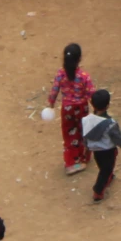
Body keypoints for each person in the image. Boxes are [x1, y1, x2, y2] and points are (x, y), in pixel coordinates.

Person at [46, 43, 96, 175]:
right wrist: (97, 109)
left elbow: (54, 90)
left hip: (67, 109)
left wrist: (51, 104)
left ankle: (70, 163)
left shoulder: (61, 74)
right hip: (82, 109)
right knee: (82, 132)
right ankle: (83, 158)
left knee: (69, 135)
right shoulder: (84, 76)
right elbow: (92, 93)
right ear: (79, 58)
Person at [81, 89, 121, 202]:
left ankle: (108, 177)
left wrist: (87, 149)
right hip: (108, 150)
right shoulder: (111, 123)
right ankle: (98, 191)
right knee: (106, 168)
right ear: (108, 105)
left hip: (95, 150)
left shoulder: (85, 120)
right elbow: (117, 137)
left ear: (91, 103)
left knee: (102, 167)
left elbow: (85, 136)